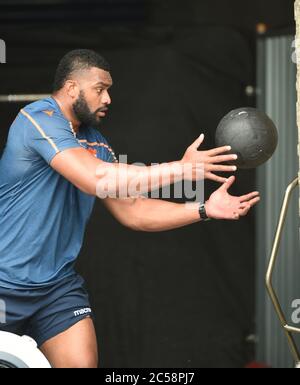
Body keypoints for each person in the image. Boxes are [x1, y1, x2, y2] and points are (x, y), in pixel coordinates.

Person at [0, 49, 260, 368]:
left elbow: (134, 211)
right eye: (100, 88)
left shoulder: (97, 144)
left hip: (55, 288)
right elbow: (97, 179)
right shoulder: (38, 120)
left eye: (109, 89)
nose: (108, 98)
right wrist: (182, 169)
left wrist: (204, 208)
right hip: (5, 282)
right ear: (71, 88)